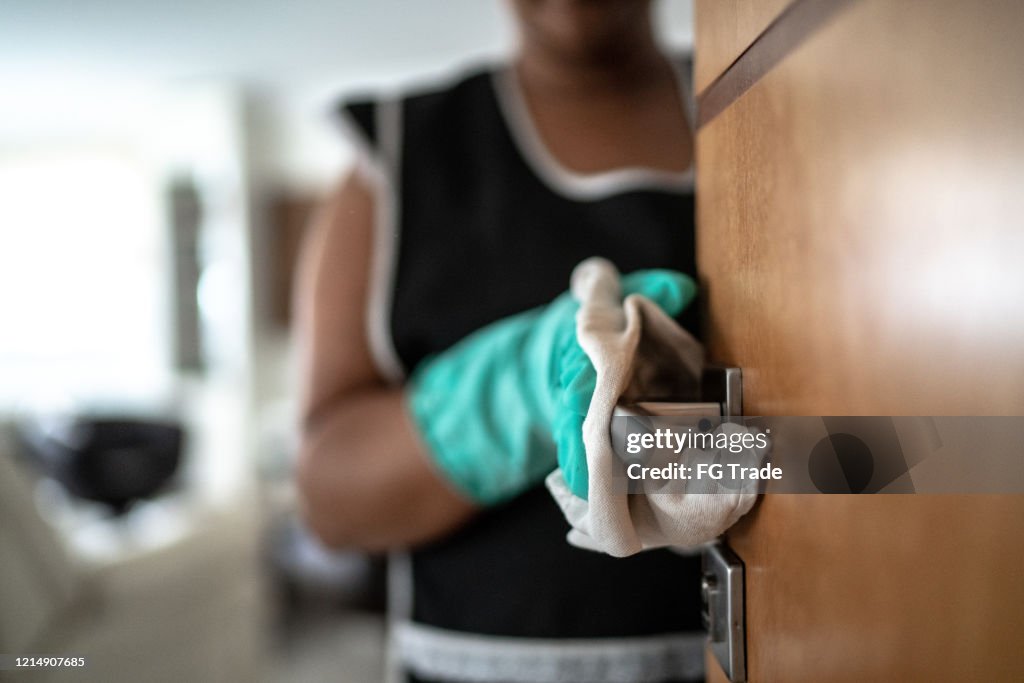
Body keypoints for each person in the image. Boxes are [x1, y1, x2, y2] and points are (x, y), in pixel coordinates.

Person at [295, 1, 704, 681]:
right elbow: (329, 499)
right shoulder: (395, 161)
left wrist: (735, 454)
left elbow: (784, 454)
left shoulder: (769, 107)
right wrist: (520, 388)